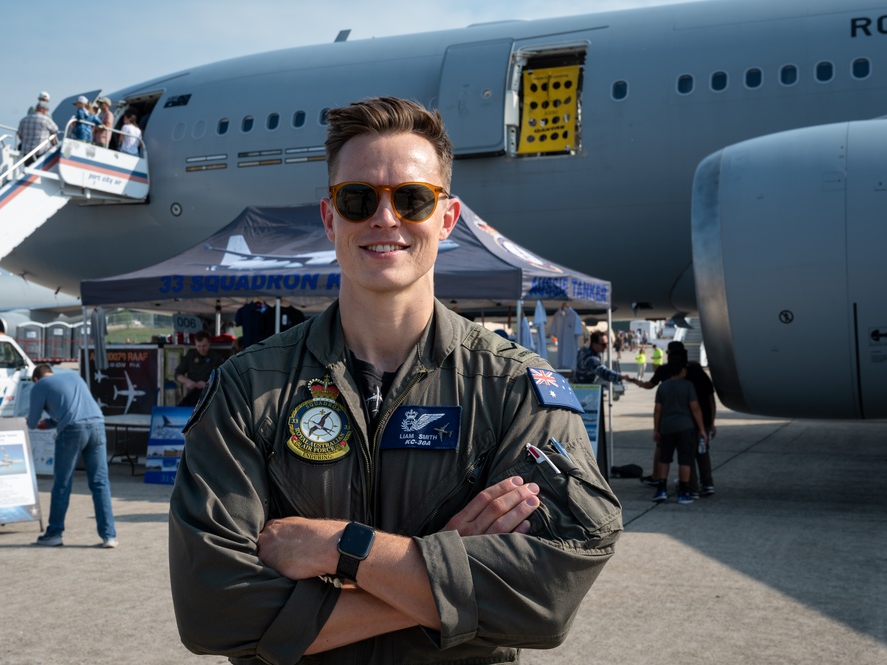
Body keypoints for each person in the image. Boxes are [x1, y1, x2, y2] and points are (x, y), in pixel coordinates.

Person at [169, 96, 622, 663]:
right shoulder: (249, 387)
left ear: (447, 217)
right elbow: (214, 611)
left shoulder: (512, 385)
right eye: (358, 199)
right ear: (331, 218)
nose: (385, 218)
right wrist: (448, 568)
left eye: (411, 198)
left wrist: (341, 550)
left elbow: (548, 594)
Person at [27, 364, 117, 548]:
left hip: (72, 431)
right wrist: (52, 422)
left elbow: (32, 422)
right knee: (100, 483)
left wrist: (42, 422)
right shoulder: (74, 377)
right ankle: (109, 536)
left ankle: (54, 534)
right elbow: (77, 408)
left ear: (36, 378)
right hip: (98, 426)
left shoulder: (39, 386)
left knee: (63, 483)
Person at [635, 341, 717, 495]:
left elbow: (661, 407)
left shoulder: (667, 375)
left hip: (685, 423)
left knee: (686, 456)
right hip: (703, 420)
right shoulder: (699, 372)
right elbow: (710, 399)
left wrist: (656, 428)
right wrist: (710, 423)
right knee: (702, 452)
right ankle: (707, 484)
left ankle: (690, 488)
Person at [652, 356, 708, 504]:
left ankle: (661, 490)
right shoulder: (688, 386)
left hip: (666, 427)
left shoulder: (663, 387)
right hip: (686, 427)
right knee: (685, 460)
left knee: (664, 459)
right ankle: (683, 492)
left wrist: (656, 429)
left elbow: (658, 410)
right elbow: (695, 408)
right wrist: (702, 429)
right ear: (683, 370)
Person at [174, 331, 226, 407]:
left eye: (204, 346)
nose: (201, 349)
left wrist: (208, 384)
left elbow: (224, 377)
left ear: (209, 343)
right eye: (199, 346)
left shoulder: (216, 358)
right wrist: (188, 381)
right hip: (192, 395)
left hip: (210, 395)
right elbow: (177, 374)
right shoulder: (191, 356)